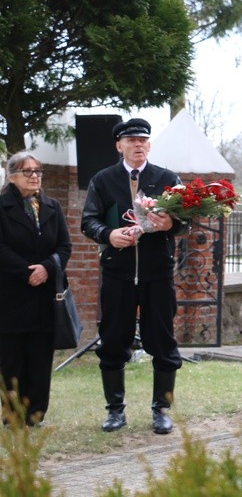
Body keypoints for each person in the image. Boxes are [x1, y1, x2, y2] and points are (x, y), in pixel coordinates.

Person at [81, 118, 186, 434]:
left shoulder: (166, 178)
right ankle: (115, 410)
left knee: (163, 343)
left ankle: (161, 410)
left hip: (157, 275)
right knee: (113, 342)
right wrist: (108, 234)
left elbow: (185, 220)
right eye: (131, 140)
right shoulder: (103, 180)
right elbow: (88, 221)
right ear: (119, 146)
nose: (138, 144)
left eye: (143, 140)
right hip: (118, 274)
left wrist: (172, 224)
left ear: (149, 145)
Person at [0, 152, 72, 427]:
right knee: (12, 358)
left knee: (40, 358)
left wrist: (46, 269)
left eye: (38, 171)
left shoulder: (52, 206)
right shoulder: (2, 206)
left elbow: (64, 247)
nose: (34, 176)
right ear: (11, 176)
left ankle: (37, 412)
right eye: (27, 171)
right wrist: (26, 271)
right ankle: (13, 414)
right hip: (11, 294)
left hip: (45, 295)